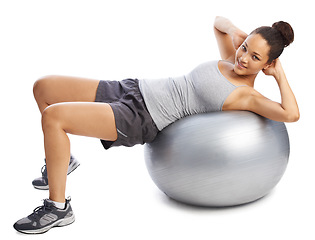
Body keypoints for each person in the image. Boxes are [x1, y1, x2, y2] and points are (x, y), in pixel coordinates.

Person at [13, 16, 299, 234]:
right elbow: (218, 24)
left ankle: (58, 208)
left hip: (142, 118)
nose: (243, 57)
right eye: (245, 48)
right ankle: (61, 163)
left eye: (255, 57)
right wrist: (240, 34)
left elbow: (291, 114)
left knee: (54, 117)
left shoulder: (246, 96)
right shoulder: (230, 60)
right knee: (44, 87)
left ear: (266, 65)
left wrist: (280, 74)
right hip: (134, 88)